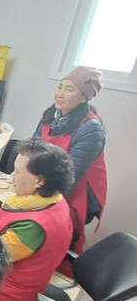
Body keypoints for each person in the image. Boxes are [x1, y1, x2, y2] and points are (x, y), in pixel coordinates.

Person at [0, 140, 74, 301]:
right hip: (11, 279)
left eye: (17, 171)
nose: (12, 175)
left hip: (4, 293)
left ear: (39, 181)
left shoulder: (36, 227)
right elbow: (16, 221)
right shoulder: (52, 199)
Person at [33, 66, 106, 254]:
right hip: (45, 182)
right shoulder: (51, 115)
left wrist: (34, 198)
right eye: (60, 86)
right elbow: (32, 150)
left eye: (69, 89)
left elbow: (70, 176)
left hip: (75, 192)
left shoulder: (91, 128)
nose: (60, 94)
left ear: (84, 97)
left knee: (58, 238)